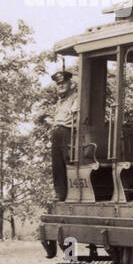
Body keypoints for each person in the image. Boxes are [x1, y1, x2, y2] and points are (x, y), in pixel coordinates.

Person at [41, 69, 79, 202]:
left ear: (71, 83)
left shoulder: (77, 98)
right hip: (57, 132)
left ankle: (73, 194)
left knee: (68, 161)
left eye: (63, 83)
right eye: (58, 84)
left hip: (67, 132)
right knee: (57, 165)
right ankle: (60, 194)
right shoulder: (60, 102)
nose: (60, 86)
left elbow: (75, 116)